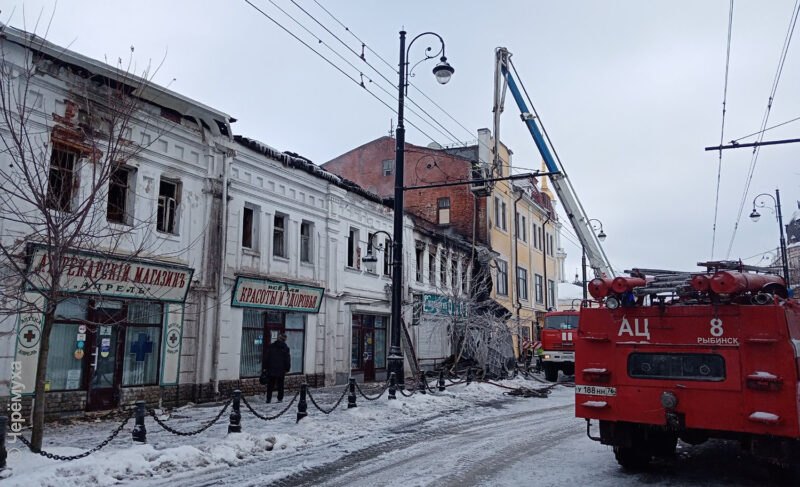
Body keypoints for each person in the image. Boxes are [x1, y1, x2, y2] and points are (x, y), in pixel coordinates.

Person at [263, 332, 291, 403]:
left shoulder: (271, 346)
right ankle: (280, 398)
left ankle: (268, 399)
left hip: (271, 369)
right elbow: (287, 359)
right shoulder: (285, 348)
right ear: (284, 340)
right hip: (281, 370)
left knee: (270, 385)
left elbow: (266, 358)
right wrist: (287, 368)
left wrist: (265, 367)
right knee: (280, 385)